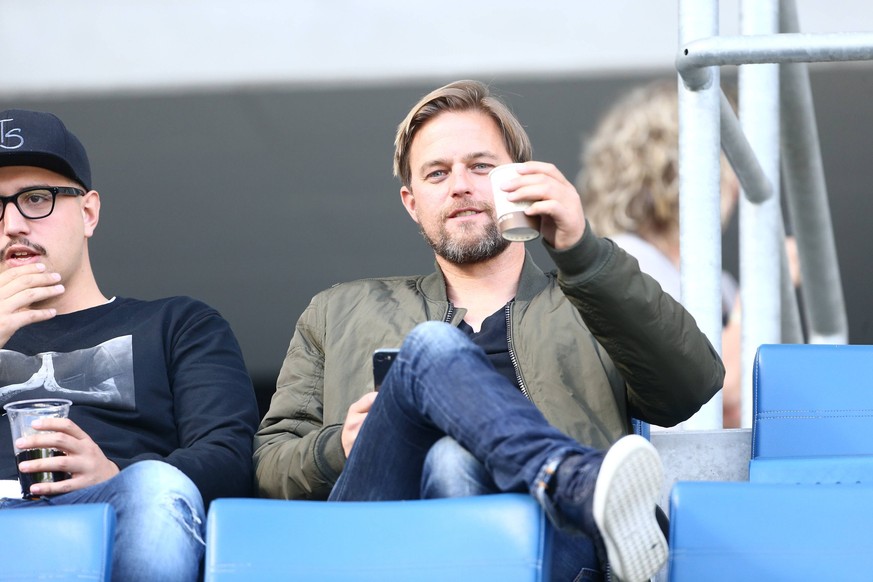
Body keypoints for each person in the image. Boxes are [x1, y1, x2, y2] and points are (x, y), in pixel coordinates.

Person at [255, 81, 724, 582]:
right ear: (412, 203)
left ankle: (566, 485)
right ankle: (572, 480)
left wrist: (582, 252)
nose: (460, 184)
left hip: (554, 554)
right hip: (379, 548)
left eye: (481, 166)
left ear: (521, 180)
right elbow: (267, 469)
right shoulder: (337, 311)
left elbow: (690, 387)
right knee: (431, 349)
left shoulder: (590, 301)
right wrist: (339, 446)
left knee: (454, 460)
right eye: (437, 173)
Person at [0, 109, 259, 581]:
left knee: (157, 485)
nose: (13, 224)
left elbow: (230, 459)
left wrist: (114, 473)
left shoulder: (178, 324)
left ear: (89, 212)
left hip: (119, 513)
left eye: (36, 198)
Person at [577, 80, 799, 429]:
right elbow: (719, 396)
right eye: (727, 162)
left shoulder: (721, 285)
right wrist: (761, 287)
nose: (736, 185)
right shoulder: (624, 261)